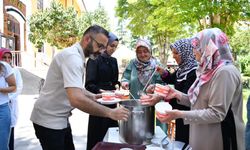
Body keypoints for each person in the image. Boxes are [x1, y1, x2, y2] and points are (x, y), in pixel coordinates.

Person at [141, 28, 245, 150]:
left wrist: (179, 114)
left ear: (209, 47)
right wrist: (176, 94)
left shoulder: (225, 72)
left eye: (197, 47)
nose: (194, 51)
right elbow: (198, 100)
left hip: (219, 138)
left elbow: (217, 113)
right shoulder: (208, 70)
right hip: (202, 134)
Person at [30, 25, 130, 150]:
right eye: (100, 46)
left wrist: (93, 96)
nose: (101, 51)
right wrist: (110, 113)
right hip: (48, 120)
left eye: (104, 47)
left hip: (60, 119)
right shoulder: (73, 58)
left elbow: (74, 87)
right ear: (88, 39)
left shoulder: (77, 56)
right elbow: (76, 99)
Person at [152, 38, 197, 146]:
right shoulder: (182, 69)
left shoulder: (193, 72)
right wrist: (163, 72)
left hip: (188, 117)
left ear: (186, 53)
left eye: (176, 53)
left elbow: (186, 97)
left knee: (186, 143)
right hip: (179, 115)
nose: (173, 56)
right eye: (173, 53)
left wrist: (162, 96)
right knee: (180, 142)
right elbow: (172, 79)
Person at [121, 39, 167, 132]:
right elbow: (125, 77)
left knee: (157, 130)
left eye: (145, 51)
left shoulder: (157, 65)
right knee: (136, 128)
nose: (142, 54)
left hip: (155, 100)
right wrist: (125, 82)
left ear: (150, 51)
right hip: (136, 100)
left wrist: (155, 87)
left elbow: (164, 83)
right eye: (139, 52)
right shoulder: (132, 63)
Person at [85, 32, 120, 150]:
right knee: (98, 135)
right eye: (112, 46)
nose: (113, 49)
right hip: (98, 101)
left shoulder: (114, 60)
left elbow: (115, 81)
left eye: (116, 46)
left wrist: (119, 86)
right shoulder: (94, 59)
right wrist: (102, 92)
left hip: (113, 102)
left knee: (113, 135)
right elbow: (89, 85)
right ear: (105, 45)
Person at [0, 48, 23, 150]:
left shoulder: (13, 70)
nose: (7, 59)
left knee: (7, 136)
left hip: (8, 104)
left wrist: (8, 97)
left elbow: (17, 87)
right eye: (4, 57)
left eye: (9, 57)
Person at [0, 59, 16, 150]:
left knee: (2, 145)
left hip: (2, 109)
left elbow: (14, 87)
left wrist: (1, 89)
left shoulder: (4, 66)